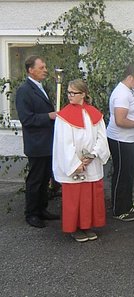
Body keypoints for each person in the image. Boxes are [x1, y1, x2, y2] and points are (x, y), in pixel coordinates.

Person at [52, 79, 110, 242]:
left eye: (73, 93)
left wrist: (93, 155)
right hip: (75, 163)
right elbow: (63, 143)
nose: (70, 96)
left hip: (90, 161)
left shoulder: (94, 113)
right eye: (68, 92)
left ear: (83, 94)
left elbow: (101, 137)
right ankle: (74, 228)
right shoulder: (64, 117)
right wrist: (76, 163)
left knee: (88, 196)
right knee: (75, 196)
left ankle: (87, 225)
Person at [15, 55, 60, 228]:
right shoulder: (24, 90)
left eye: (45, 66)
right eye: (41, 67)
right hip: (36, 143)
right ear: (30, 70)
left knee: (45, 178)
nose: (45, 70)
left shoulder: (42, 87)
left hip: (47, 142)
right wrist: (49, 116)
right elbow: (26, 119)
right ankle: (31, 214)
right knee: (35, 180)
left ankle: (42, 209)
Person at [106, 63, 134, 222]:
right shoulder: (121, 94)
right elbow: (120, 121)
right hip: (120, 139)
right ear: (130, 77)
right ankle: (118, 209)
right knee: (121, 174)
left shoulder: (131, 91)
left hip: (130, 139)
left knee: (129, 173)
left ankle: (127, 203)